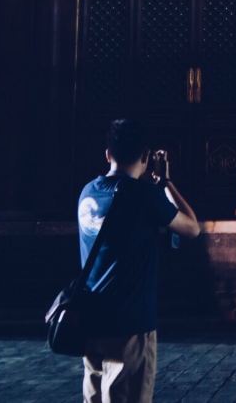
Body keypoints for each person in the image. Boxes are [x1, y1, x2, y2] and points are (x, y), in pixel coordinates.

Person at [77, 119, 201, 403]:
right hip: (130, 322)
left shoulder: (87, 193)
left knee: (94, 396)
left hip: (92, 318)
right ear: (146, 157)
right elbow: (192, 228)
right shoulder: (145, 196)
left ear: (108, 154)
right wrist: (166, 182)